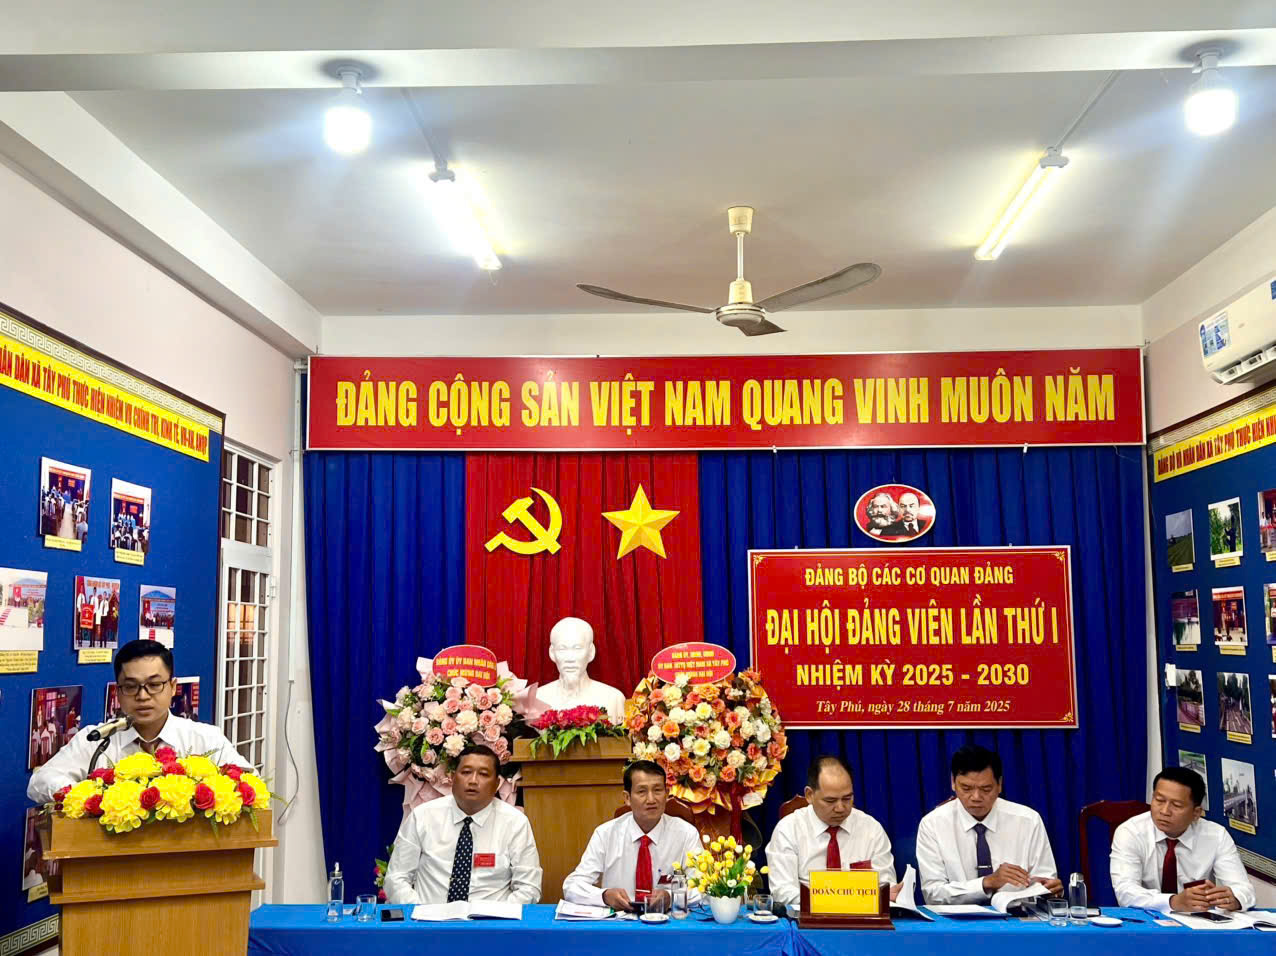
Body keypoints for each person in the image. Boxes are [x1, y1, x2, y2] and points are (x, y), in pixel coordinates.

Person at [27, 639, 253, 803]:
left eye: (154, 685)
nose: (143, 696)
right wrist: (89, 797)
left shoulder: (205, 738)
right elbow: (39, 782)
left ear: (173, 687)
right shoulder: (98, 739)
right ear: (118, 691)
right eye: (131, 686)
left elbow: (251, 782)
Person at [384, 744, 542, 905]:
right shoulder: (422, 816)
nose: (473, 781)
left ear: (496, 784)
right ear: (453, 778)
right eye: (466, 772)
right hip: (428, 916)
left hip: (491, 918)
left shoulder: (515, 823)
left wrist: (498, 916)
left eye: (483, 774)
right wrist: (419, 913)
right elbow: (396, 879)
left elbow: (528, 887)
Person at [915, 744, 1061, 904]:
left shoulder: (1028, 820)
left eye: (986, 789)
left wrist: (1048, 890)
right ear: (953, 782)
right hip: (956, 918)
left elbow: (1045, 882)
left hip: (1018, 915)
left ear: (999, 784)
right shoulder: (933, 824)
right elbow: (933, 894)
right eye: (966, 788)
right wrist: (987, 883)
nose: (976, 797)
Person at [563, 759, 704, 910]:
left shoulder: (686, 834)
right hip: (619, 919)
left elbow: (706, 888)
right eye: (642, 792)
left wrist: (672, 897)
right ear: (627, 798)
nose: (651, 799)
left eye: (657, 790)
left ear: (667, 794)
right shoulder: (605, 834)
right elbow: (572, 886)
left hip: (667, 919)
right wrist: (604, 896)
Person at [1110, 767, 1255, 912]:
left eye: (1177, 805)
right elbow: (1125, 891)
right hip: (1145, 918)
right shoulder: (1130, 832)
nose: (1164, 811)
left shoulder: (1216, 836)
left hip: (1197, 920)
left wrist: (1234, 899)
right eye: (1159, 800)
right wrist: (1173, 901)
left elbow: (1244, 889)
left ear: (1196, 813)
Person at [765, 755, 897, 907]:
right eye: (830, 801)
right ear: (809, 795)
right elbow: (782, 892)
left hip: (862, 918)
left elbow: (886, 887)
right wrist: (836, 901)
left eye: (847, 799)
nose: (840, 808)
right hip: (808, 917)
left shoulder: (871, 829)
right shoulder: (788, 829)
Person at [535, 617, 627, 720]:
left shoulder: (613, 699)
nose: (570, 658)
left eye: (577, 648)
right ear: (552, 653)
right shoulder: (537, 699)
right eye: (562, 649)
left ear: (591, 652)